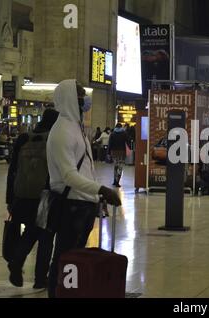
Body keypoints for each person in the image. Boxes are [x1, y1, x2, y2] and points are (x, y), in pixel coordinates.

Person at [46, 80, 121, 298]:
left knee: (75, 257)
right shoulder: (61, 132)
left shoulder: (75, 128)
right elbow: (69, 176)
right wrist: (101, 189)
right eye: (80, 94)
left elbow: (86, 167)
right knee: (63, 257)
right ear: (70, 98)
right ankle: (56, 293)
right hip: (71, 205)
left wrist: (96, 196)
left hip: (84, 203)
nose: (85, 99)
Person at [6, 109, 59, 289]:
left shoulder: (23, 138)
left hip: (22, 195)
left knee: (31, 230)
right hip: (44, 196)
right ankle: (40, 279)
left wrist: (9, 198)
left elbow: (12, 170)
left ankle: (17, 260)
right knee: (45, 236)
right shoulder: (53, 139)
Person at [109, 123, 130, 187]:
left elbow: (110, 144)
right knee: (120, 167)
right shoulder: (124, 133)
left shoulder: (112, 133)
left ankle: (114, 181)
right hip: (121, 152)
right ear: (121, 127)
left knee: (115, 166)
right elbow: (128, 140)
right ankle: (117, 181)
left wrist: (108, 153)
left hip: (114, 152)